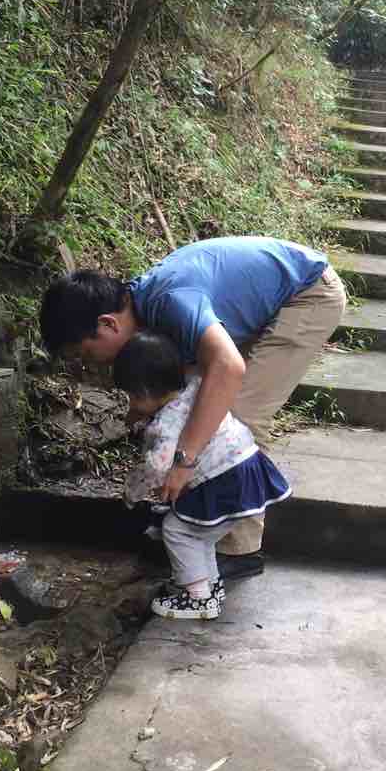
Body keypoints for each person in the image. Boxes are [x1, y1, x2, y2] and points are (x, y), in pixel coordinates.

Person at [38, 235, 346, 574]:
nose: (91, 364)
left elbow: (227, 367)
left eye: (85, 353)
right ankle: (199, 526)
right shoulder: (143, 309)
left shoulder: (172, 302)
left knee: (234, 419)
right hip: (272, 294)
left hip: (307, 294)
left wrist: (185, 461)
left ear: (108, 323)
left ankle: (238, 551)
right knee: (203, 413)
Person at [114, 332, 290, 619]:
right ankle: (208, 585)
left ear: (144, 391)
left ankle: (198, 598)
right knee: (199, 534)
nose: (131, 405)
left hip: (224, 478)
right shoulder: (197, 385)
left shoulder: (166, 424)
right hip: (247, 466)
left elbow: (157, 466)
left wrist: (131, 492)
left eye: (132, 397)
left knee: (177, 531)